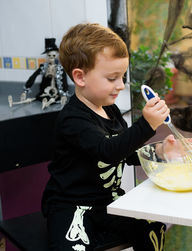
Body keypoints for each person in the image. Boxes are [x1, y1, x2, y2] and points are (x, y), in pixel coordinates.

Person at [41, 23, 170, 251]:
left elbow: (125, 152)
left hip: (109, 202)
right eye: (112, 78)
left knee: (153, 224)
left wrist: (160, 152)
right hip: (71, 205)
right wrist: (147, 124)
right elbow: (108, 152)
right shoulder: (73, 120)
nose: (120, 85)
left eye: (122, 77)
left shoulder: (109, 109)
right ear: (80, 77)